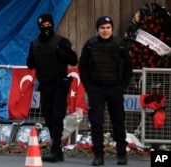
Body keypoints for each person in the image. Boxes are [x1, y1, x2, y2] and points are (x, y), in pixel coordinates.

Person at [78, 16, 132, 166]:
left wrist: (123, 86)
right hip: (96, 89)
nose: (105, 30)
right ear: (97, 29)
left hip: (115, 88)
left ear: (112, 29)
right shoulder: (90, 44)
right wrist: (89, 87)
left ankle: (121, 154)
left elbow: (128, 67)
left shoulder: (120, 44)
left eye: (108, 27)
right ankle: (98, 156)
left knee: (118, 122)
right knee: (96, 123)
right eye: (102, 28)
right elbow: (82, 66)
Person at [26, 13, 78, 162]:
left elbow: (73, 60)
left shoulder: (61, 41)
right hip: (45, 86)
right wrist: (32, 56)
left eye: (48, 25)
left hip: (59, 84)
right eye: (43, 26)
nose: (46, 28)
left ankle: (55, 149)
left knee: (57, 116)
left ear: (52, 24)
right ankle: (57, 149)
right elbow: (30, 64)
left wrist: (59, 52)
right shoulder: (35, 44)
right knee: (48, 116)